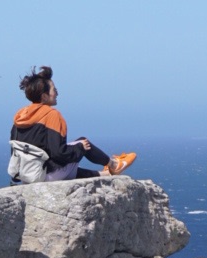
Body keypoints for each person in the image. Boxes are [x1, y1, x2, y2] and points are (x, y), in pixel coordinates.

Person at [8, 66, 136, 184]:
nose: (57, 93)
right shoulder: (51, 115)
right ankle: (114, 165)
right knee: (83, 142)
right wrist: (80, 148)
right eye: (55, 90)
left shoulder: (21, 116)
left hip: (26, 176)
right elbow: (59, 153)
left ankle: (106, 174)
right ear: (44, 96)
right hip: (43, 176)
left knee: (70, 164)